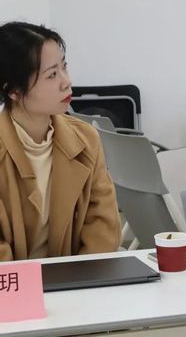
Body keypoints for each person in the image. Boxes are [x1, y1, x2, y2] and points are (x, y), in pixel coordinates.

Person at [0, 21, 121, 261]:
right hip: (12, 282)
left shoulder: (85, 139)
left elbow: (103, 228)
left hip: (76, 278)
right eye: (52, 75)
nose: (66, 82)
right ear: (14, 91)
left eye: (64, 67)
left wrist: (81, 280)